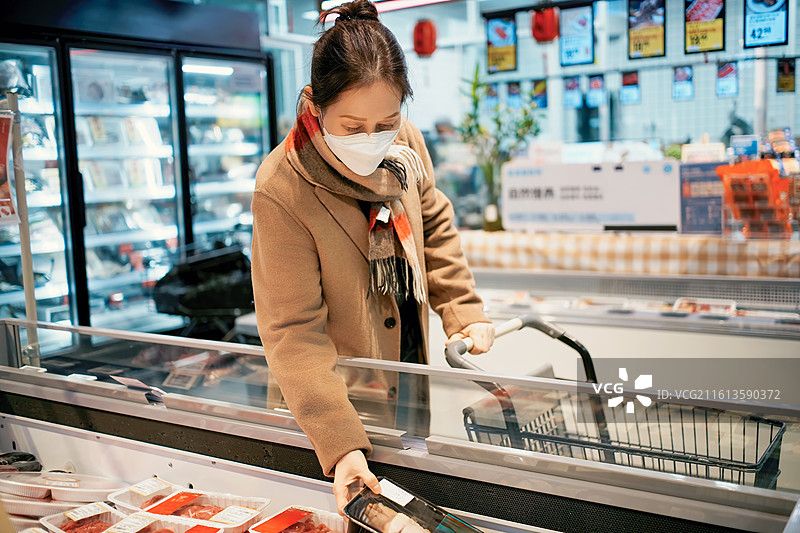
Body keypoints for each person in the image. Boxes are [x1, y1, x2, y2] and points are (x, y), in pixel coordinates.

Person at [250, 0, 494, 514]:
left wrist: (462, 311)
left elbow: (434, 222)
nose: (372, 139)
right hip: (330, 400)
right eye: (352, 126)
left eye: (386, 120)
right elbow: (293, 331)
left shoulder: (403, 143)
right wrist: (341, 449)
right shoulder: (283, 187)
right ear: (315, 105)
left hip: (405, 366)